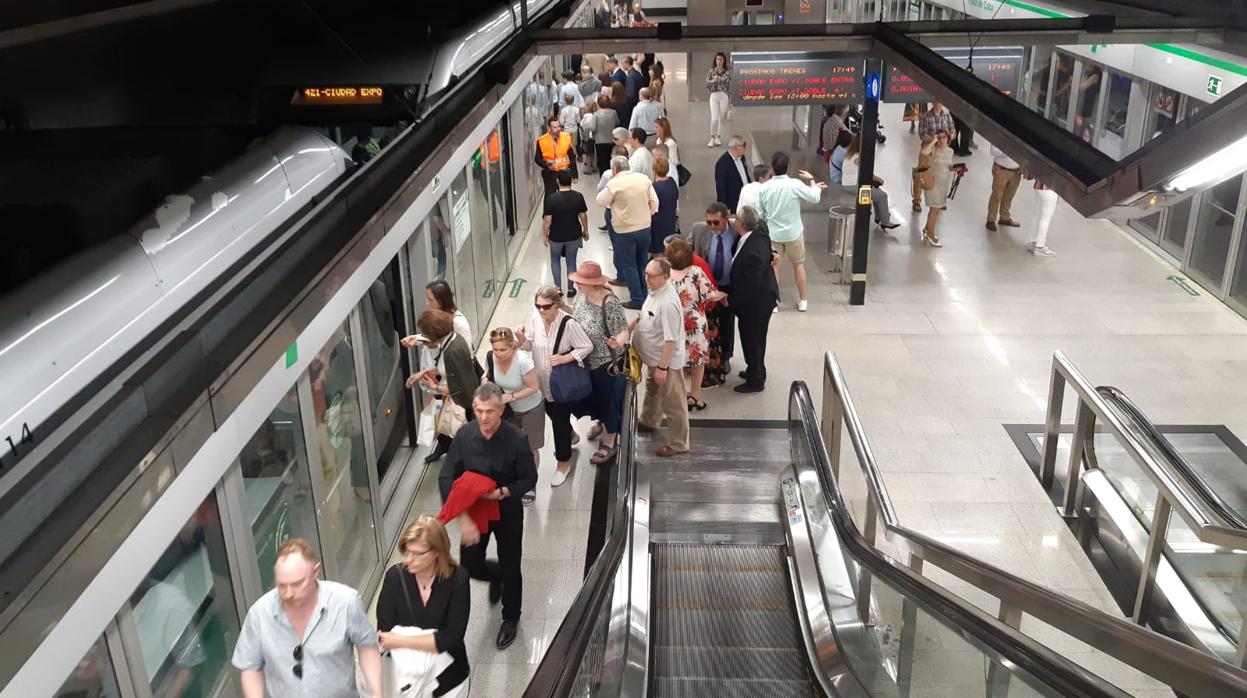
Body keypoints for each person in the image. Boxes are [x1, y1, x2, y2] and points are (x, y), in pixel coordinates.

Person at [438, 384, 536, 650]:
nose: (483, 417)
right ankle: (496, 576)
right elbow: (447, 476)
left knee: (511, 565)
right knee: (469, 566)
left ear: (501, 409)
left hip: (506, 508)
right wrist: (462, 518)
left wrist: (505, 491)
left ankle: (511, 618)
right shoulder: (464, 436)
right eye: (478, 411)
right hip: (474, 511)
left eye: (489, 411)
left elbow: (529, 478)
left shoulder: (516, 439)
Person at [233, 539, 382, 698]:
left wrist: (377, 693)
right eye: (282, 585)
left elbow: (367, 647)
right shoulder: (259, 614)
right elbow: (250, 667)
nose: (289, 593)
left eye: (297, 584)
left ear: (315, 572)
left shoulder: (345, 603)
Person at [376, 517, 470, 698]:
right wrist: (430, 640)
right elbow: (384, 633)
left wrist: (401, 640)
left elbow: (452, 638)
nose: (409, 559)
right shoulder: (395, 577)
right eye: (408, 552)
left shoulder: (458, 579)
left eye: (418, 553)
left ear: (437, 552)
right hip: (405, 679)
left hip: (449, 678)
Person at [611, 259, 689, 457]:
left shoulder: (668, 304)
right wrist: (629, 329)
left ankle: (679, 443)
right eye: (645, 274)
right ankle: (649, 421)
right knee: (653, 391)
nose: (646, 279)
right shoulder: (655, 291)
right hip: (652, 358)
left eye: (651, 276)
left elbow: (671, 341)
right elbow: (645, 316)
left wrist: (663, 368)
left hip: (665, 363)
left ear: (666, 277)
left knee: (674, 403)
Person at [516, 286, 593, 486]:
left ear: (556, 304)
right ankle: (571, 434)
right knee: (553, 415)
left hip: (560, 385)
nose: (542, 310)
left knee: (558, 422)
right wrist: (521, 339)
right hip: (542, 383)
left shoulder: (568, 324)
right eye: (538, 306)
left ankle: (563, 462)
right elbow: (530, 345)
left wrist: (565, 357)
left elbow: (587, 346)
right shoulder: (535, 321)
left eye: (546, 306)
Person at [568, 261, 629, 464]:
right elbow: (576, 316)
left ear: (594, 284)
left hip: (606, 363)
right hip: (587, 361)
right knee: (596, 398)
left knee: (609, 401)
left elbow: (624, 330)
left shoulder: (610, 303)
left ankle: (609, 440)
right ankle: (601, 422)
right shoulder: (581, 298)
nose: (577, 285)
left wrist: (617, 340)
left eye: (581, 282)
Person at [755, 151, 826, 312]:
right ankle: (803, 300)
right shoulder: (795, 184)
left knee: (774, 267)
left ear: (772, 169)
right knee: (798, 265)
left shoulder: (765, 188)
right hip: (794, 233)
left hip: (773, 234)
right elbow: (814, 197)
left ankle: (773, 303)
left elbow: (760, 214)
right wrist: (812, 181)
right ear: (788, 167)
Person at [482, 328, 545, 506]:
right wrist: (485, 378)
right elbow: (489, 371)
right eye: (495, 349)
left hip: (531, 408)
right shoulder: (491, 357)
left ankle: (530, 483)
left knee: (531, 447)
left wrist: (510, 397)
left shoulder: (523, 362)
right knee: (512, 445)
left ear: (514, 347)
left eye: (503, 350)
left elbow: (534, 387)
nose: (498, 354)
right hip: (509, 411)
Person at [405, 310, 477, 455]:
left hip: (463, 407)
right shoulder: (453, 340)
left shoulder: (451, 351)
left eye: (425, 335)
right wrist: (423, 374)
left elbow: (459, 387)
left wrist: (434, 387)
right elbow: (446, 369)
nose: (424, 339)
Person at [665, 238, 723, 411]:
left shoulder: (665, 276)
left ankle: (680, 396)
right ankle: (696, 397)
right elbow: (710, 295)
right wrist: (722, 294)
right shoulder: (696, 272)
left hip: (674, 325)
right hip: (696, 324)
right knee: (698, 361)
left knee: (677, 361)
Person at [728, 206, 779, 393]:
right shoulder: (760, 233)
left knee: (752, 339)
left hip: (757, 302)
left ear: (740, 223)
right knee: (757, 337)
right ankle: (756, 369)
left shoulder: (752, 253)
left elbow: (752, 285)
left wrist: (732, 301)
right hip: (758, 298)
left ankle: (756, 380)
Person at [597, 154, 658, 308]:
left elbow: (600, 201)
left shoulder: (614, 183)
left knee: (629, 264)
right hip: (644, 228)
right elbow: (655, 202)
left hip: (624, 231)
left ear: (614, 169)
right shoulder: (643, 179)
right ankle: (645, 295)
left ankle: (637, 299)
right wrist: (646, 214)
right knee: (642, 262)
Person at [687, 202, 738, 385]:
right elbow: (685, 250)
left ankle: (725, 356)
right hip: (705, 288)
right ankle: (705, 359)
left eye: (716, 222)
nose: (712, 227)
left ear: (726, 218)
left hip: (728, 285)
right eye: (709, 222)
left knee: (727, 322)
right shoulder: (699, 229)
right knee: (707, 325)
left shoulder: (736, 231)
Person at [543, 170, 590, 296]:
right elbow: (583, 215)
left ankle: (558, 289)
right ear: (570, 182)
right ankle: (570, 288)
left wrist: (545, 234)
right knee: (571, 261)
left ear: (557, 182)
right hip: (574, 234)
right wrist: (585, 230)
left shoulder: (551, 199)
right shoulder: (578, 196)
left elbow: (547, 220)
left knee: (555, 260)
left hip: (556, 236)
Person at [843, 134, 901, 230]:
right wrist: (879, 180)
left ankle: (880, 217)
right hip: (854, 185)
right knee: (883, 196)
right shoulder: (858, 157)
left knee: (876, 192)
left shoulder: (850, 154)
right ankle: (885, 221)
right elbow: (868, 174)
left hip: (848, 183)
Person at [914, 102, 956, 212]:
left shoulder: (947, 116)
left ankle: (939, 202)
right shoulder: (925, 116)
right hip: (928, 150)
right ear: (932, 103)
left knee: (941, 176)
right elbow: (922, 134)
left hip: (941, 151)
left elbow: (953, 132)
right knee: (921, 174)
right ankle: (916, 201)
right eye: (936, 102)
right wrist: (934, 140)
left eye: (941, 102)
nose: (939, 104)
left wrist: (946, 138)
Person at [919, 130, 955, 247]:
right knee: (934, 210)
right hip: (933, 184)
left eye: (944, 137)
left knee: (936, 210)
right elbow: (923, 152)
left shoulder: (950, 151)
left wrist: (953, 169)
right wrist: (933, 140)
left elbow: (948, 165)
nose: (941, 140)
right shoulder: (933, 150)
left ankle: (926, 229)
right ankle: (931, 235)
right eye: (939, 137)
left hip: (943, 184)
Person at [534, 115, 578, 198]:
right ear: (549, 128)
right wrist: (546, 164)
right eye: (554, 127)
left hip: (564, 172)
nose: (558, 129)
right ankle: (548, 211)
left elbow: (572, 157)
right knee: (549, 196)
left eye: (558, 126)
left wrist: (574, 174)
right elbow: (537, 159)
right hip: (550, 173)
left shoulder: (566, 137)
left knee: (566, 196)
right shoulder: (542, 141)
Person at [986, 144, 1023, 232]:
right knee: (996, 196)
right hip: (1001, 170)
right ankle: (990, 220)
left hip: (1017, 172)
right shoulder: (1002, 136)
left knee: (1009, 196)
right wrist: (1009, 149)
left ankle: (1004, 218)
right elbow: (993, 151)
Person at [650, 155, 679, 257]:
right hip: (670, 221)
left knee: (657, 253)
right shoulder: (672, 182)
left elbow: (651, 208)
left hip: (657, 225)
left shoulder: (654, 187)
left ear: (654, 170)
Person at [714, 135, 750, 212]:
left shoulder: (742, 158)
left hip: (745, 200)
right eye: (743, 145)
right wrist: (725, 208)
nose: (745, 148)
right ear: (736, 147)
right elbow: (721, 188)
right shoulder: (722, 164)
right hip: (734, 204)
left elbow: (746, 176)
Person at [706, 52, 732, 147]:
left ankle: (718, 137)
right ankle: (712, 137)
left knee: (721, 118)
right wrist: (713, 80)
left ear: (724, 61)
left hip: (724, 96)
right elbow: (707, 84)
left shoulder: (727, 72)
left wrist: (730, 102)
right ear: (715, 60)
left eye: (721, 59)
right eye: (717, 59)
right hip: (714, 96)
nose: (719, 61)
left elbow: (728, 84)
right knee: (714, 118)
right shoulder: (711, 71)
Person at [1028, 176, 1058, 257]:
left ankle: (1033, 241)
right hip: (1049, 189)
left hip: (1038, 185)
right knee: (1046, 219)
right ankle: (1040, 247)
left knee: (1037, 215)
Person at [591, 95, 620, 174]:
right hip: (611, 140)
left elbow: (593, 128)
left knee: (601, 161)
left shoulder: (596, 114)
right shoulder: (613, 112)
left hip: (599, 141)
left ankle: (603, 176)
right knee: (610, 159)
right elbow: (617, 122)